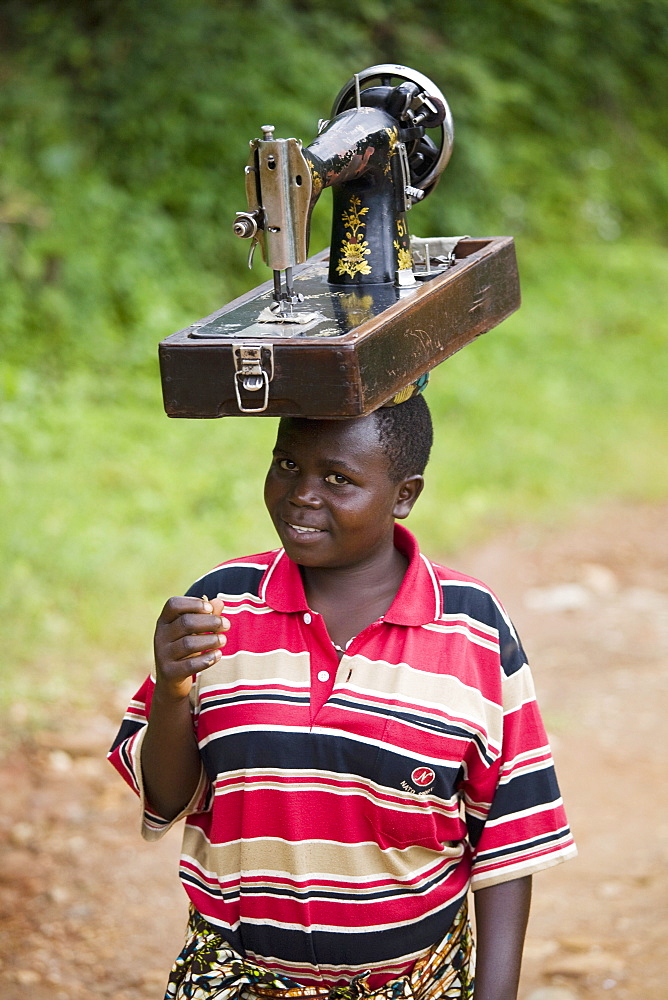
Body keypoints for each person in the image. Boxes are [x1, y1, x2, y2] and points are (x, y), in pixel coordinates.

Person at [109, 391, 576, 1000]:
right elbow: (169, 797)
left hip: (415, 984)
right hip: (235, 978)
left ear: (404, 495)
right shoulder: (221, 605)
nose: (302, 493)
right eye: (286, 465)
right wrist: (172, 690)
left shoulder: (472, 628)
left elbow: (509, 833)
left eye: (338, 478)